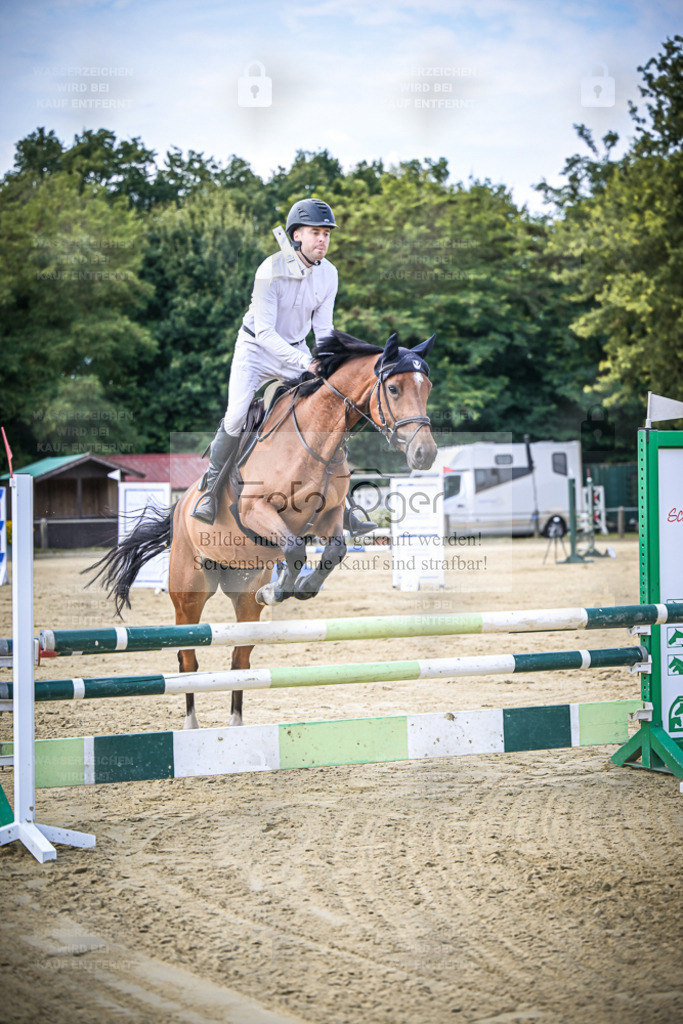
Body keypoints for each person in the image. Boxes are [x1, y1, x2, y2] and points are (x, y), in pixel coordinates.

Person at [191, 197, 373, 534]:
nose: (323, 240)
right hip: (256, 350)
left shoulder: (329, 274)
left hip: (296, 349)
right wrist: (306, 361)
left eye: (327, 234)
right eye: (316, 233)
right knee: (236, 414)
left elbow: (323, 330)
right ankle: (210, 490)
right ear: (296, 236)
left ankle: (346, 505)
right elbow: (264, 333)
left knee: (328, 410)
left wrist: (328, 360)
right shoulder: (269, 270)